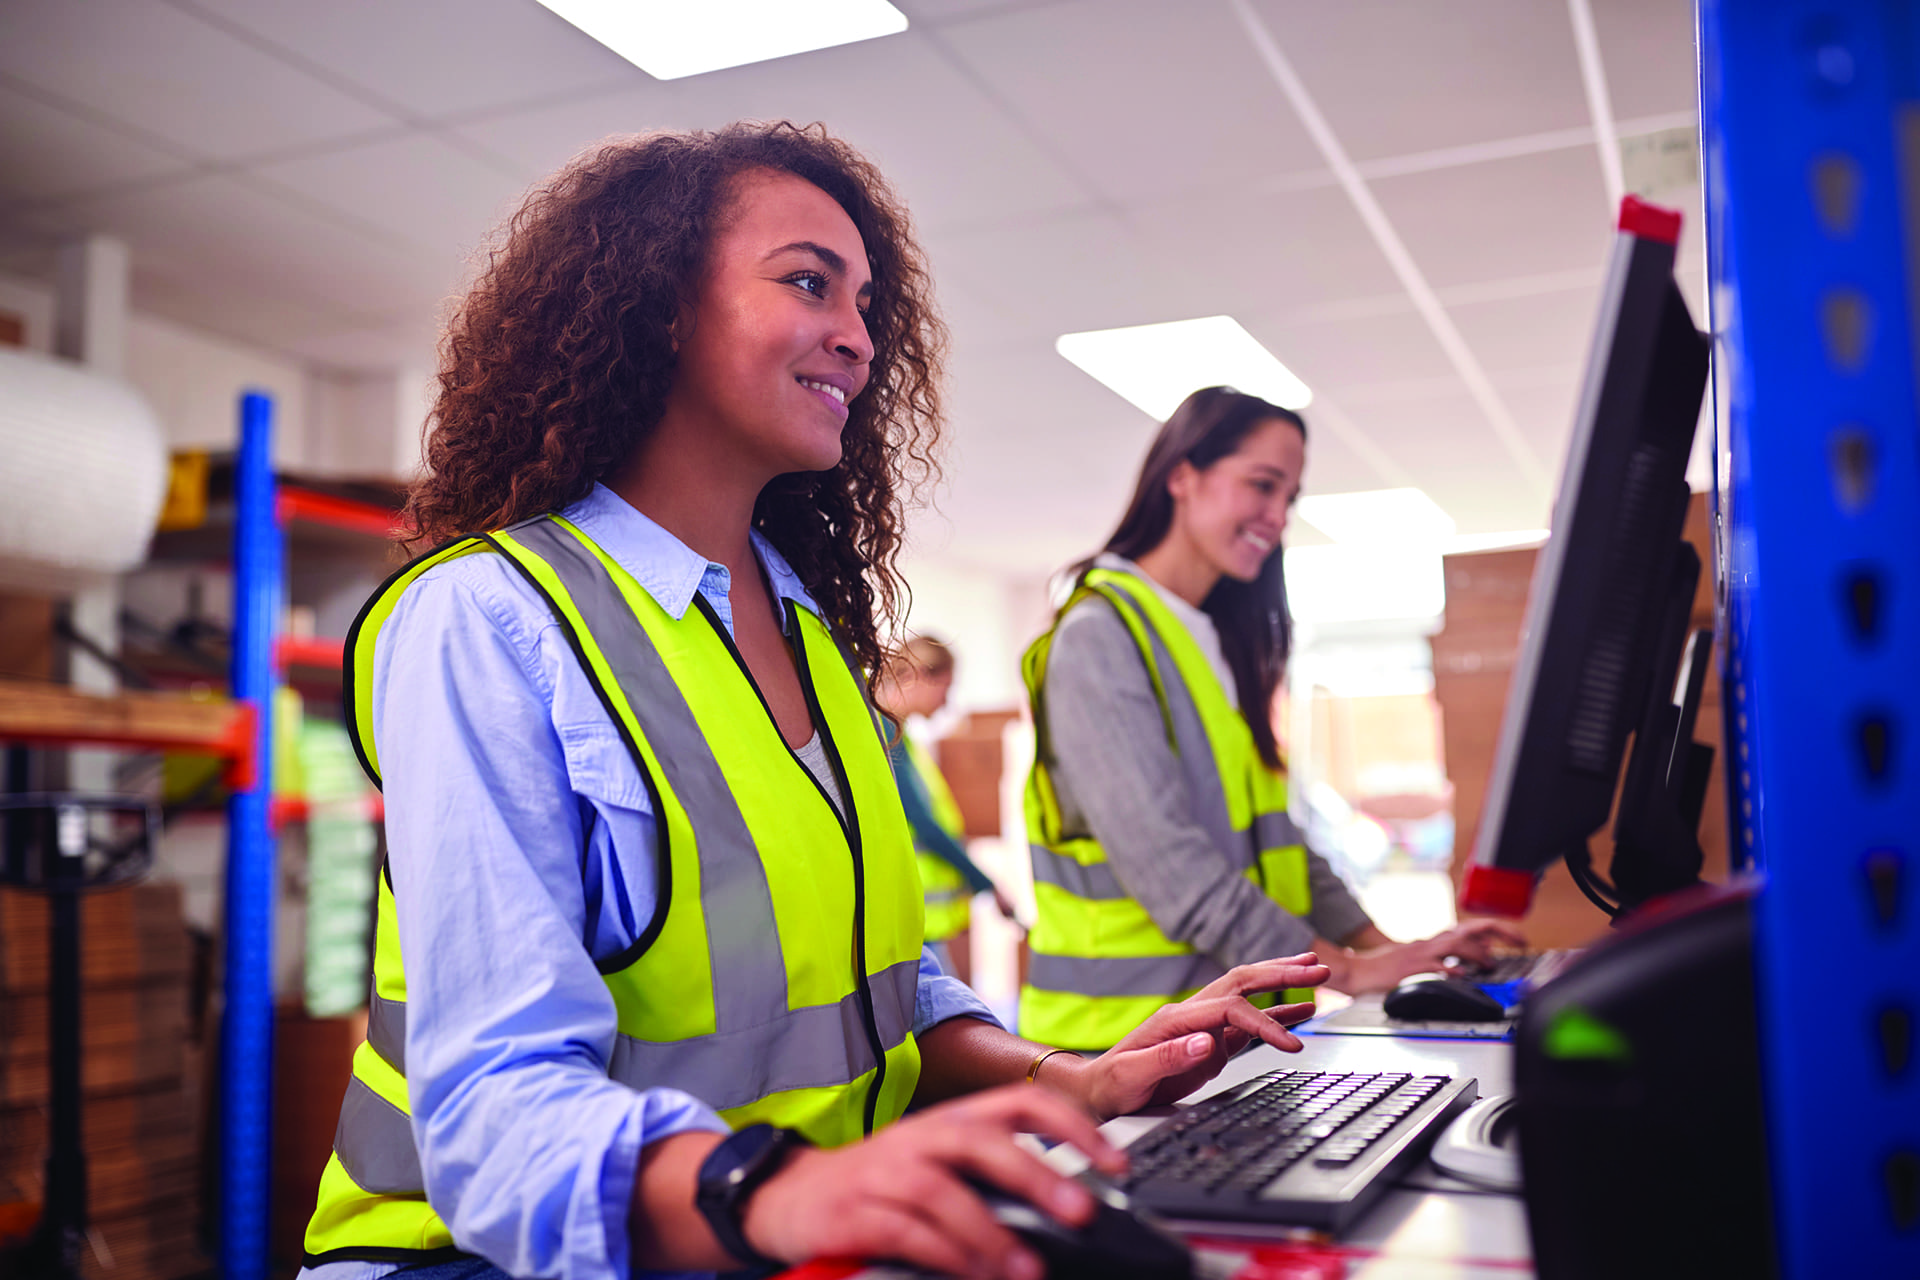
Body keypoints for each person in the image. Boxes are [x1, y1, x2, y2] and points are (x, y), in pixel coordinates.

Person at [298, 125, 1333, 1280]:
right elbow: (495, 1115)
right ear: (662, 308)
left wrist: (1065, 1077)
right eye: (807, 281)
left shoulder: (811, 640)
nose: (858, 333)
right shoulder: (488, 618)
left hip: (761, 1244)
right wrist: (782, 1190)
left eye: (867, 301)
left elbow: (873, 987)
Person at [1019, 385, 1523, 1051]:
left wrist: (1391, 952)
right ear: (1182, 476)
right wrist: (1346, 970)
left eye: (1290, 498)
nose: (1279, 516)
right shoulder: (1099, 635)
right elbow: (1174, 869)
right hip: (1122, 1044)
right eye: (1263, 485)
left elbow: (1275, 842)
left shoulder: (1206, 638)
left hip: (1227, 1033)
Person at [875, 635, 1018, 987]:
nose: (946, 702)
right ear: (922, 675)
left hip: (919, 915)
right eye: (945, 687)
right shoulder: (885, 730)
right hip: (912, 914)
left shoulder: (899, 735)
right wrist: (985, 882)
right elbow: (923, 823)